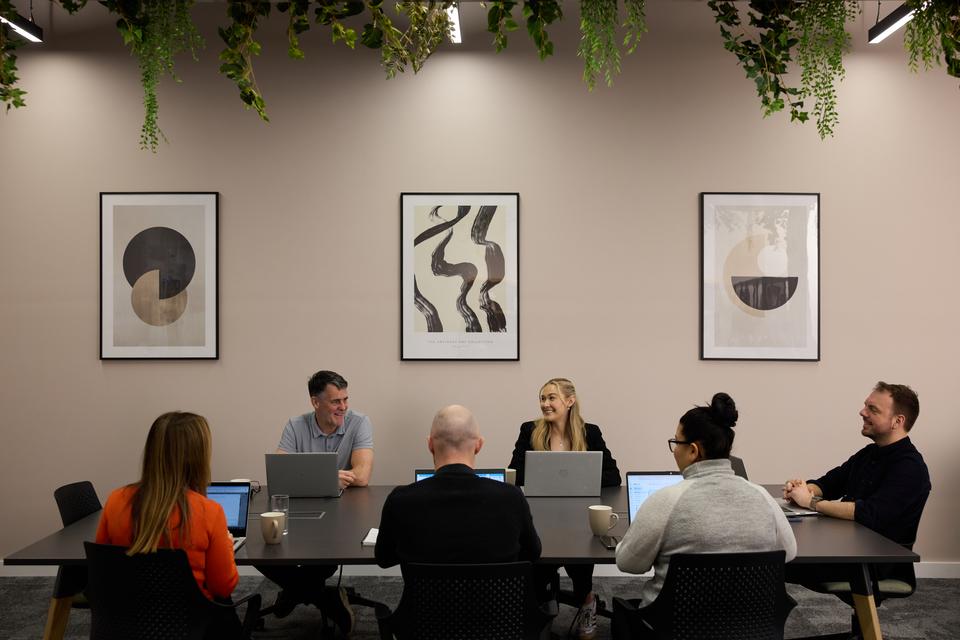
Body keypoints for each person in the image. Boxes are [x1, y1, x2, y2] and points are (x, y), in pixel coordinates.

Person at [614, 393, 796, 637]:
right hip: (752, 628)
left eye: (675, 443)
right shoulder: (761, 495)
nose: (673, 450)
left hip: (673, 629)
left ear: (692, 450)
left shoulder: (666, 500)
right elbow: (789, 552)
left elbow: (628, 563)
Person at [96, 412, 241, 639]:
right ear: (198, 457)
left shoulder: (115, 501)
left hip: (126, 623)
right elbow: (223, 587)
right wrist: (227, 551)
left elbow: (103, 572)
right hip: (191, 626)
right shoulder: (209, 512)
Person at [259, 370, 375, 634]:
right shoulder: (295, 425)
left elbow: (363, 475)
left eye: (345, 399)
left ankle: (295, 591)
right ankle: (324, 597)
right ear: (315, 402)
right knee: (261, 549)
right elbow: (279, 473)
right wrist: (328, 478)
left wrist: (311, 477)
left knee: (327, 553)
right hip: (301, 511)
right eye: (336, 402)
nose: (343, 407)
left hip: (345, 513)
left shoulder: (359, 422)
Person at [783, 381, 931, 585]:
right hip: (848, 547)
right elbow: (829, 483)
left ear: (897, 421)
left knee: (770, 561)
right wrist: (802, 488)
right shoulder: (869, 453)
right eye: (865, 405)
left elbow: (868, 513)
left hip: (872, 563)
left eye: (872, 409)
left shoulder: (910, 468)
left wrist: (811, 502)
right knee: (771, 554)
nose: (862, 412)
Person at [508, 377, 621, 640]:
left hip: (578, 513)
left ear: (569, 401)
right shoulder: (529, 430)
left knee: (580, 558)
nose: (545, 404)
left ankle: (587, 601)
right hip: (539, 512)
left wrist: (581, 479)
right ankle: (544, 607)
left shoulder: (590, 432)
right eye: (542, 398)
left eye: (551, 398)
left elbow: (613, 475)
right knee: (538, 562)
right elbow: (515, 471)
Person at [375, 404, 541, 567]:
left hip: (428, 595)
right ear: (479, 445)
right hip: (493, 594)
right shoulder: (511, 498)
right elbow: (532, 553)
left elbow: (384, 559)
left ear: (430, 444)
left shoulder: (401, 500)